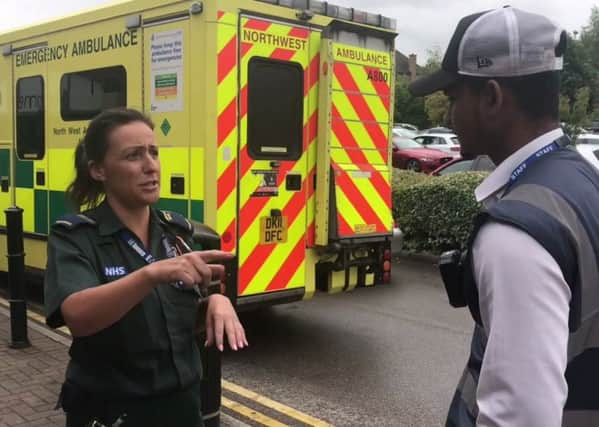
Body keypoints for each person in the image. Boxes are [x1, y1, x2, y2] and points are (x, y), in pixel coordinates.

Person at [409, 6, 599, 427]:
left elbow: (521, 417)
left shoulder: (517, 233)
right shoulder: (584, 179)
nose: (448, 117)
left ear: (493, 97)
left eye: (455, 98)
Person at [44, 108, 247, 427]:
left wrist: (214, 303)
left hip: (182, 410)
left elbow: (171, 318)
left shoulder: (176, 232)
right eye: (133, 155)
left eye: (153, 152)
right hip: (113, 414)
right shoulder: (76, 236)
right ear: (99, 170)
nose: (150, 165)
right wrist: (152, 274)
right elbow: (78, 317)